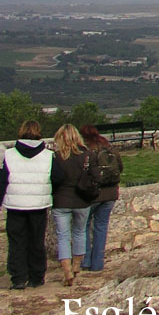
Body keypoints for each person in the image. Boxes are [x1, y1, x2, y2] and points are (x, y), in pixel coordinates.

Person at [0, 120, 53, 289]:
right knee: (36, 241)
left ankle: (18, 278)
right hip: (38, 204)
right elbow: (57, 177)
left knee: (16, 242)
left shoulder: (8, 155)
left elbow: (2, 181)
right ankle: (37, 276)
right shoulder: (48, 155)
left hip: (15, 204)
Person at [50, 124, 91, 286]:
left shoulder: (56, 157)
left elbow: (53, 179)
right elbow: (95, 176)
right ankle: (76, 265)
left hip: (61, 200)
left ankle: (66, 270)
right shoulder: (87, 155)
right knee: (80, 232)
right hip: (82, 200)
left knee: (63, 236)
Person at [79, 124, 123, 273]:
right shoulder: (109, 147)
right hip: (111, 193)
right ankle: (97, 264)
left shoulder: (86, 150)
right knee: (101, 227)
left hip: (93, 194)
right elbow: (120, 168)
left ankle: (85, 261)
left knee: (83, 226)